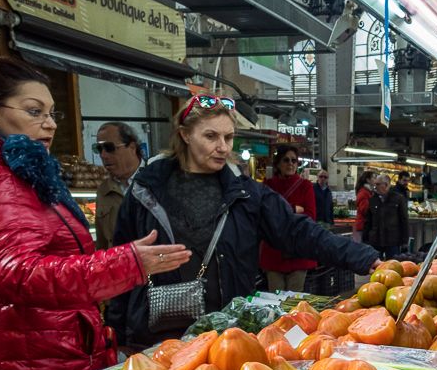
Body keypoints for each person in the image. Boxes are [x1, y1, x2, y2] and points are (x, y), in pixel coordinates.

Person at [0, 57, 188, 370]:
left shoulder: (18, 171)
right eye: (34, 111)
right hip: (26, 358)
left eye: (51, 113)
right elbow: (19, 274)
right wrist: (126, 264)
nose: (50, 125)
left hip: (33, 349)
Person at [110, 95, 380, 351]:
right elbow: (121, 265)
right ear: (185, 134)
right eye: (211, 136)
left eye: (228, 137)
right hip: (158, 339)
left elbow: (298, 231)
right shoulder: (144, 192)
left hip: (228, 338)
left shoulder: (247, 194)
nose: (223, 147)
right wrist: (115, 333)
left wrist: (363, 257)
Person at [260, 145, 317, 292]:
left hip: (298, 251)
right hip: (273, 251)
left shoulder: (305, 185)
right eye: (286, 160)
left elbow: (310, 216)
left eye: (294, 160)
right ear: (278, 163)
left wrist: (279, 215)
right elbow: (264, 215)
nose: (290, 164)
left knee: (294, 301)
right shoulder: (267, 185)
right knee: (276, 299)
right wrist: (293, 209)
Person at [94, 121, 144, 250]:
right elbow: (102, 243)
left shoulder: (156, 180)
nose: (103, 155)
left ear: (132, 148)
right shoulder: (104, 191)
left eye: (110, 147)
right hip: (120, 267)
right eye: (99, 149)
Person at [363, 174, 409, 260]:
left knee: (392, 266)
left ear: (386, 185)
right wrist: (365, 238)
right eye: (375, 184)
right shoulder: (373, 200)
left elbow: (404, 220)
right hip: (375, 241)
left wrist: (404, 241)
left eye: (378, 184)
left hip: (392, 240)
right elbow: (368, 220)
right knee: (376, 266)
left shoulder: (398, 198)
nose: (375, 187)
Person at [353, 170, 376, 243]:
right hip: (363, 225)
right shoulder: (364, 192)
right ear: (368, 180)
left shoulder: (370, 192)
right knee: (365, 247)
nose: (376, 180)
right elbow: (365, 210)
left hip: (366, 225)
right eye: (374, 178)